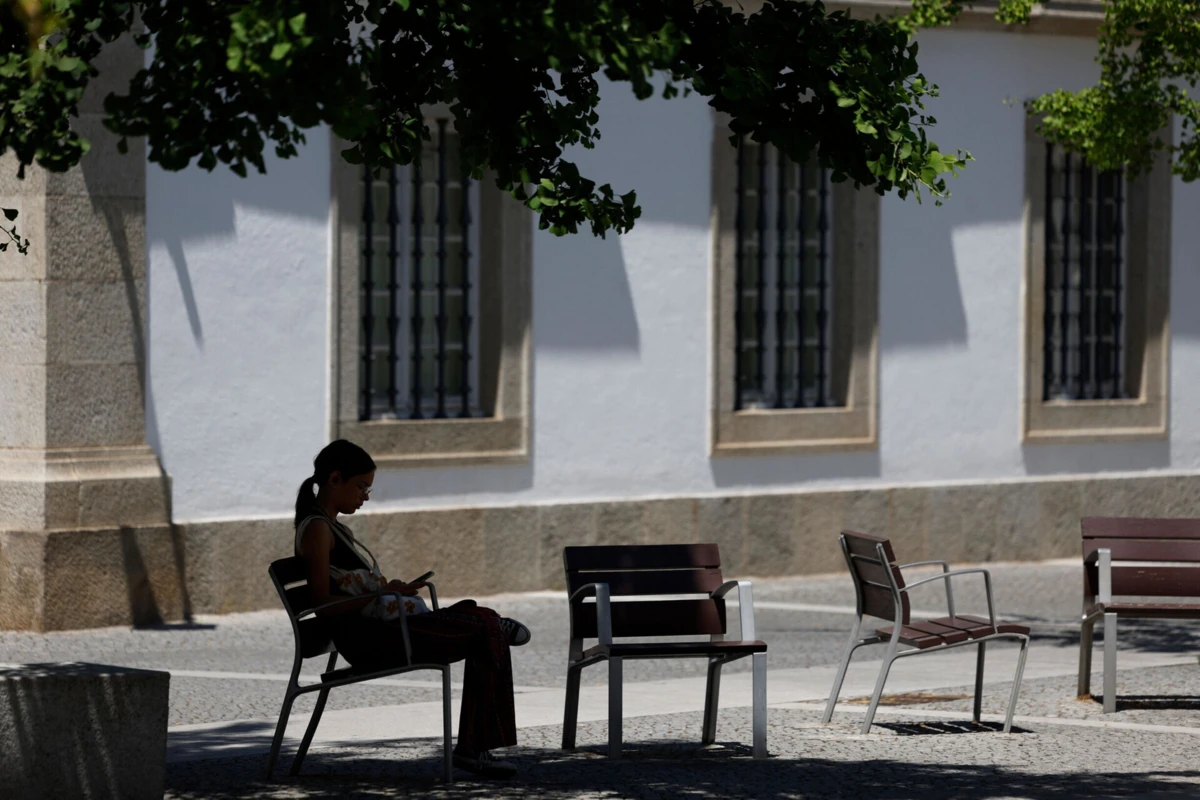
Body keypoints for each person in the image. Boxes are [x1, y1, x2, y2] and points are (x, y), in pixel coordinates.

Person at [293, 439, 530, 778]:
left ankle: (490, 626)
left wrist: (389, 591)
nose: (365, 496)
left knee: (481, 620)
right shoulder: (317, 530)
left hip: (383, 631)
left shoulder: (332, 528)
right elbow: (323, 606)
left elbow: (348, 591)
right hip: (372, 641)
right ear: (334, 479)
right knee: (485, 628)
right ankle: (472, 750)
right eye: (361, 486)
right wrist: (380, 594)